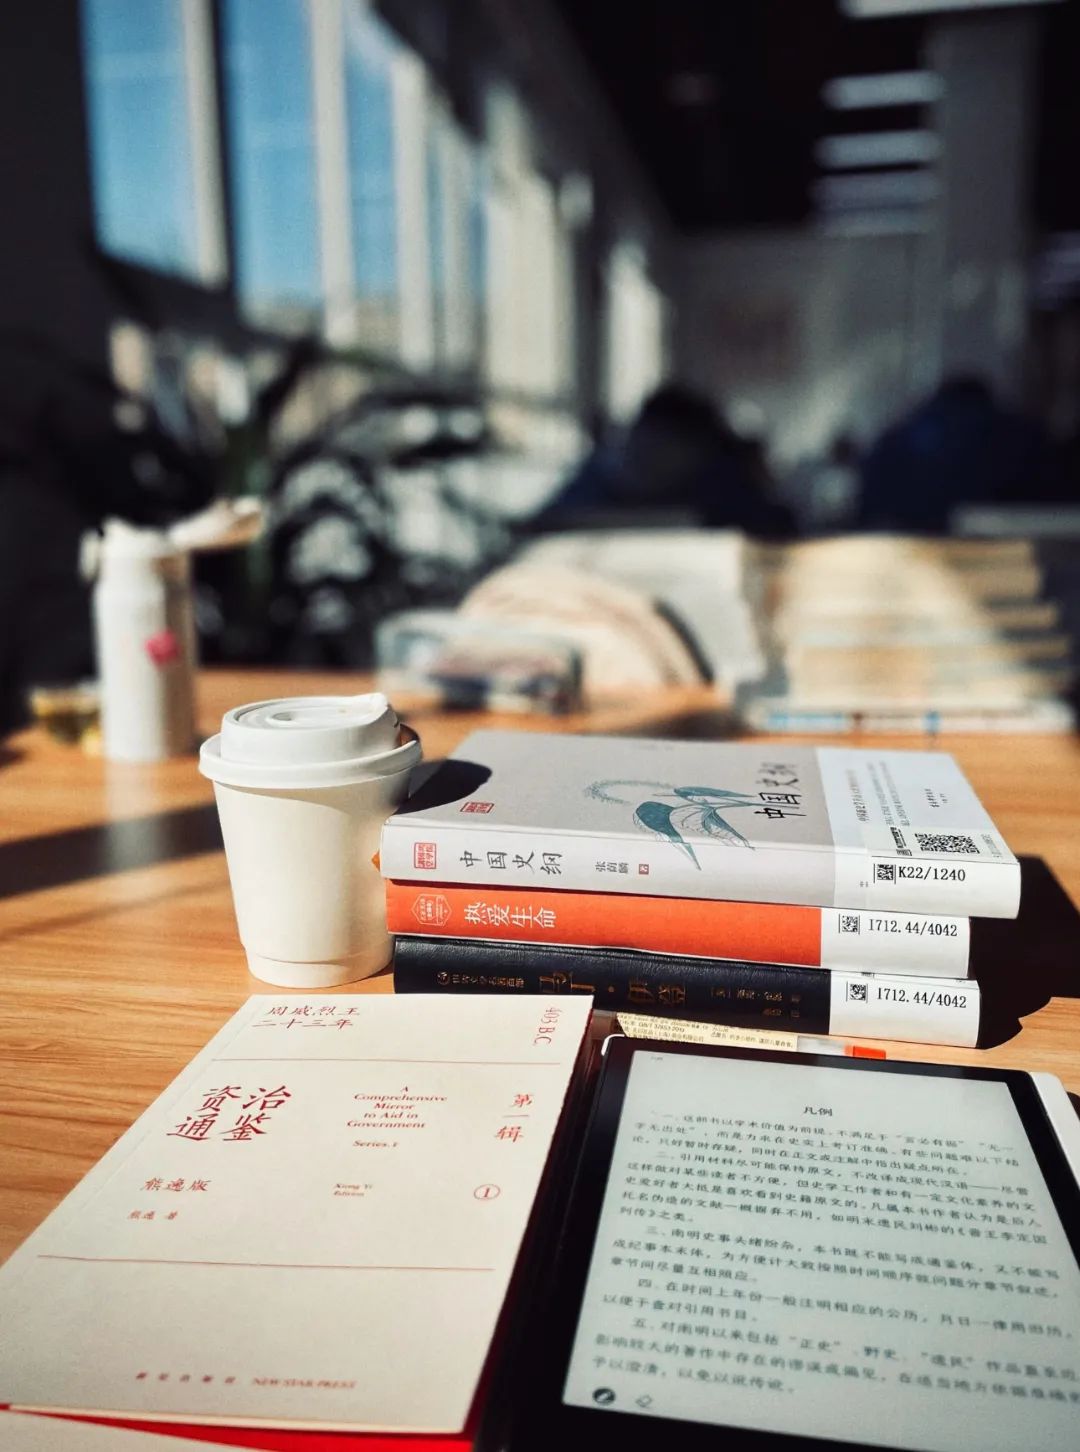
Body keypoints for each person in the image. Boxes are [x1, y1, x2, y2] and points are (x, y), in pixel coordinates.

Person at [534, 384, 792, 535]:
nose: (647, 456)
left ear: (699, 452)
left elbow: (775, 533)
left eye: (665, 446)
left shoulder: (724, 490)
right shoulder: (598, 478)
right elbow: (541, 527)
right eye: (641, 444)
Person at [857, 375, 1060, 534]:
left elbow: (867, 508)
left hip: (908, 550)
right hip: (1002, 554)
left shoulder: (897, 435)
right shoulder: (1019, 434)